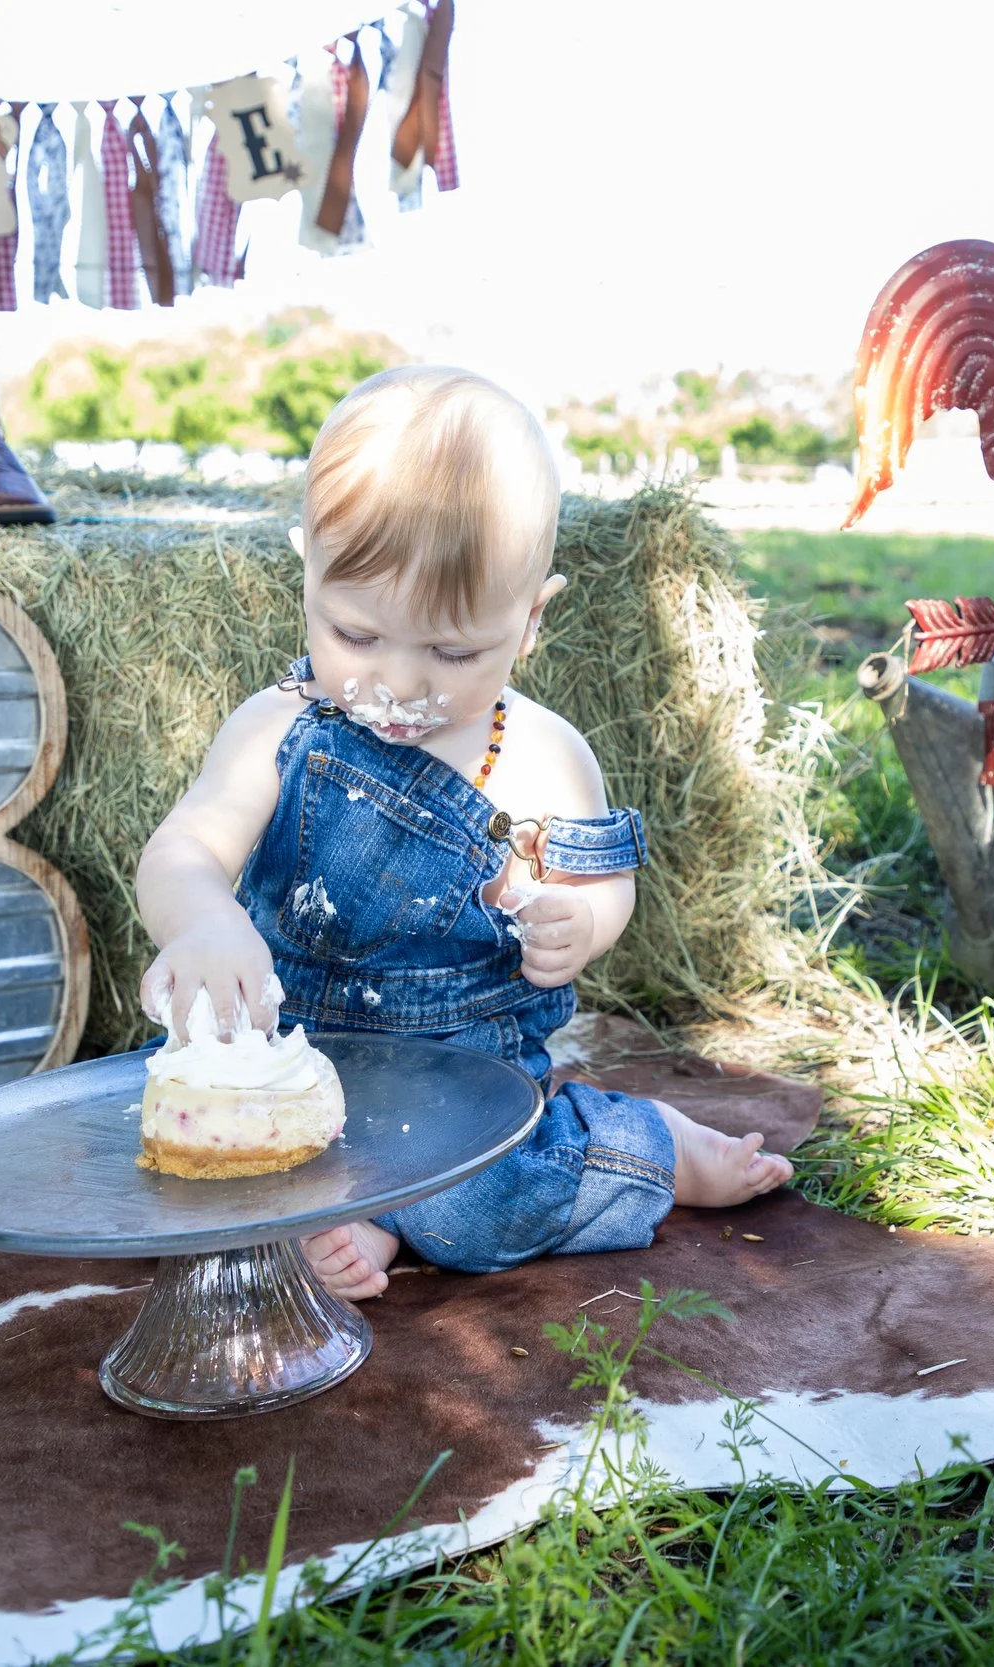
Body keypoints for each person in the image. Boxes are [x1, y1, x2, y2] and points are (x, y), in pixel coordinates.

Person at [136, 365, 792, 1301]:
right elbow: (182, 850)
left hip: (461, 1083)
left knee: (476, 1207)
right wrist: (201, 920)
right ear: (306, 573)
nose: (400, 684)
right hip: (286, 1059)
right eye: (356, 635)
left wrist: (581, 922)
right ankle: (366, 1208)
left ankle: (642, 1147)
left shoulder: (542, 756)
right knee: (184, 1157)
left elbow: (603, 886)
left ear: (530, 620)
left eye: (452, 652)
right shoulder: (277, 725)